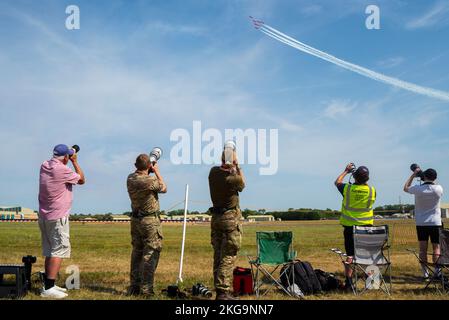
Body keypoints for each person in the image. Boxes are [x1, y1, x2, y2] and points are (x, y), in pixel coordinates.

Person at [38, 144, 85, 298]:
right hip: (58, 216)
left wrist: (68, 155)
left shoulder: (44, 165)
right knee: (58, 250)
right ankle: (48, 289)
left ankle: (48, 284)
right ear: (65, 157)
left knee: (50, 251)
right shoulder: (63, 170)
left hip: (45, 215)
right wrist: (75, 161)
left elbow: (58, 161)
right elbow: (82, 179)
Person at [126, 154, 167, 297]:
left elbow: (140, 176)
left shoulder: (130, 178)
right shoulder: (150, 180)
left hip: (136, 220)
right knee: (151, 253)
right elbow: (163, 187)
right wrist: (156, 171)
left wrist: (148, 168)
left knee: (137, 252)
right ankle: (146, 289)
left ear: (135, 165)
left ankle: (134, 287)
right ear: (149, 166)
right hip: (150, 221)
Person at [208, 148, 245, 300]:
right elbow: (242, 185)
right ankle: (223, 292)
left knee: (218, 253)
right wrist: (238, 166)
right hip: (229, 218)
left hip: (216, 218)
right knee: (228, 254)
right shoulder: (233, 178)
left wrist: (230, 163)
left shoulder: (213, 172)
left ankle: (220, 289)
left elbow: (221, 170)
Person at [334, 163, 376, 290]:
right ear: (367, 179)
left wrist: (346, 171)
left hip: (350, 228)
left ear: (354, 177)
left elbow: (337, 182)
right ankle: (371, 282)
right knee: (368, 255)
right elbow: (366, 187)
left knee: (350, 256)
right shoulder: (371, 190)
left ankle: (349, 283)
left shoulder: (347, 189)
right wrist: (362, 179)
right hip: (366, 228)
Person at [404, 167, 443, 280]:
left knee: (422, 249)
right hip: (435, 222)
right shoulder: (438, 189)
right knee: (436, 248)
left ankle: (425, 273)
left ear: (424, 177)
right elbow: (434, 184)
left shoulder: (418, 189)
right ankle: (437, 272)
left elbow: (405, 188)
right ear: (435, 178)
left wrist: (414, 174)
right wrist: (426, 177)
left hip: (421, 223)